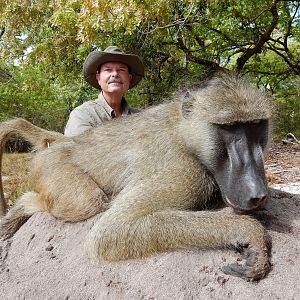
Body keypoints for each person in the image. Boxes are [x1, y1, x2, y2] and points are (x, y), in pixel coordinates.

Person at [64, 46, 144, 136]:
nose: (115, 74)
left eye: (121, 70)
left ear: (129, 78)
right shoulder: (82, 115)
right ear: (98, 78)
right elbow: (81, 148)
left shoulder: (141, 118)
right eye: (108, 70)